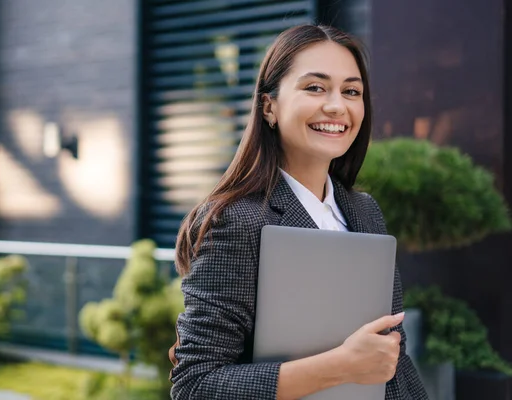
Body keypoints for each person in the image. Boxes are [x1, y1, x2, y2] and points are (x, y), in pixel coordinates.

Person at [167, 24, 428, 400]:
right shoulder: (237, 222)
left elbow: (393, 359)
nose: (337, 105)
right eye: (315, 87)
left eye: (351, 91)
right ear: (269, 106)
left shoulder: (364, 211)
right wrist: (341, 365)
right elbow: (196, 386)